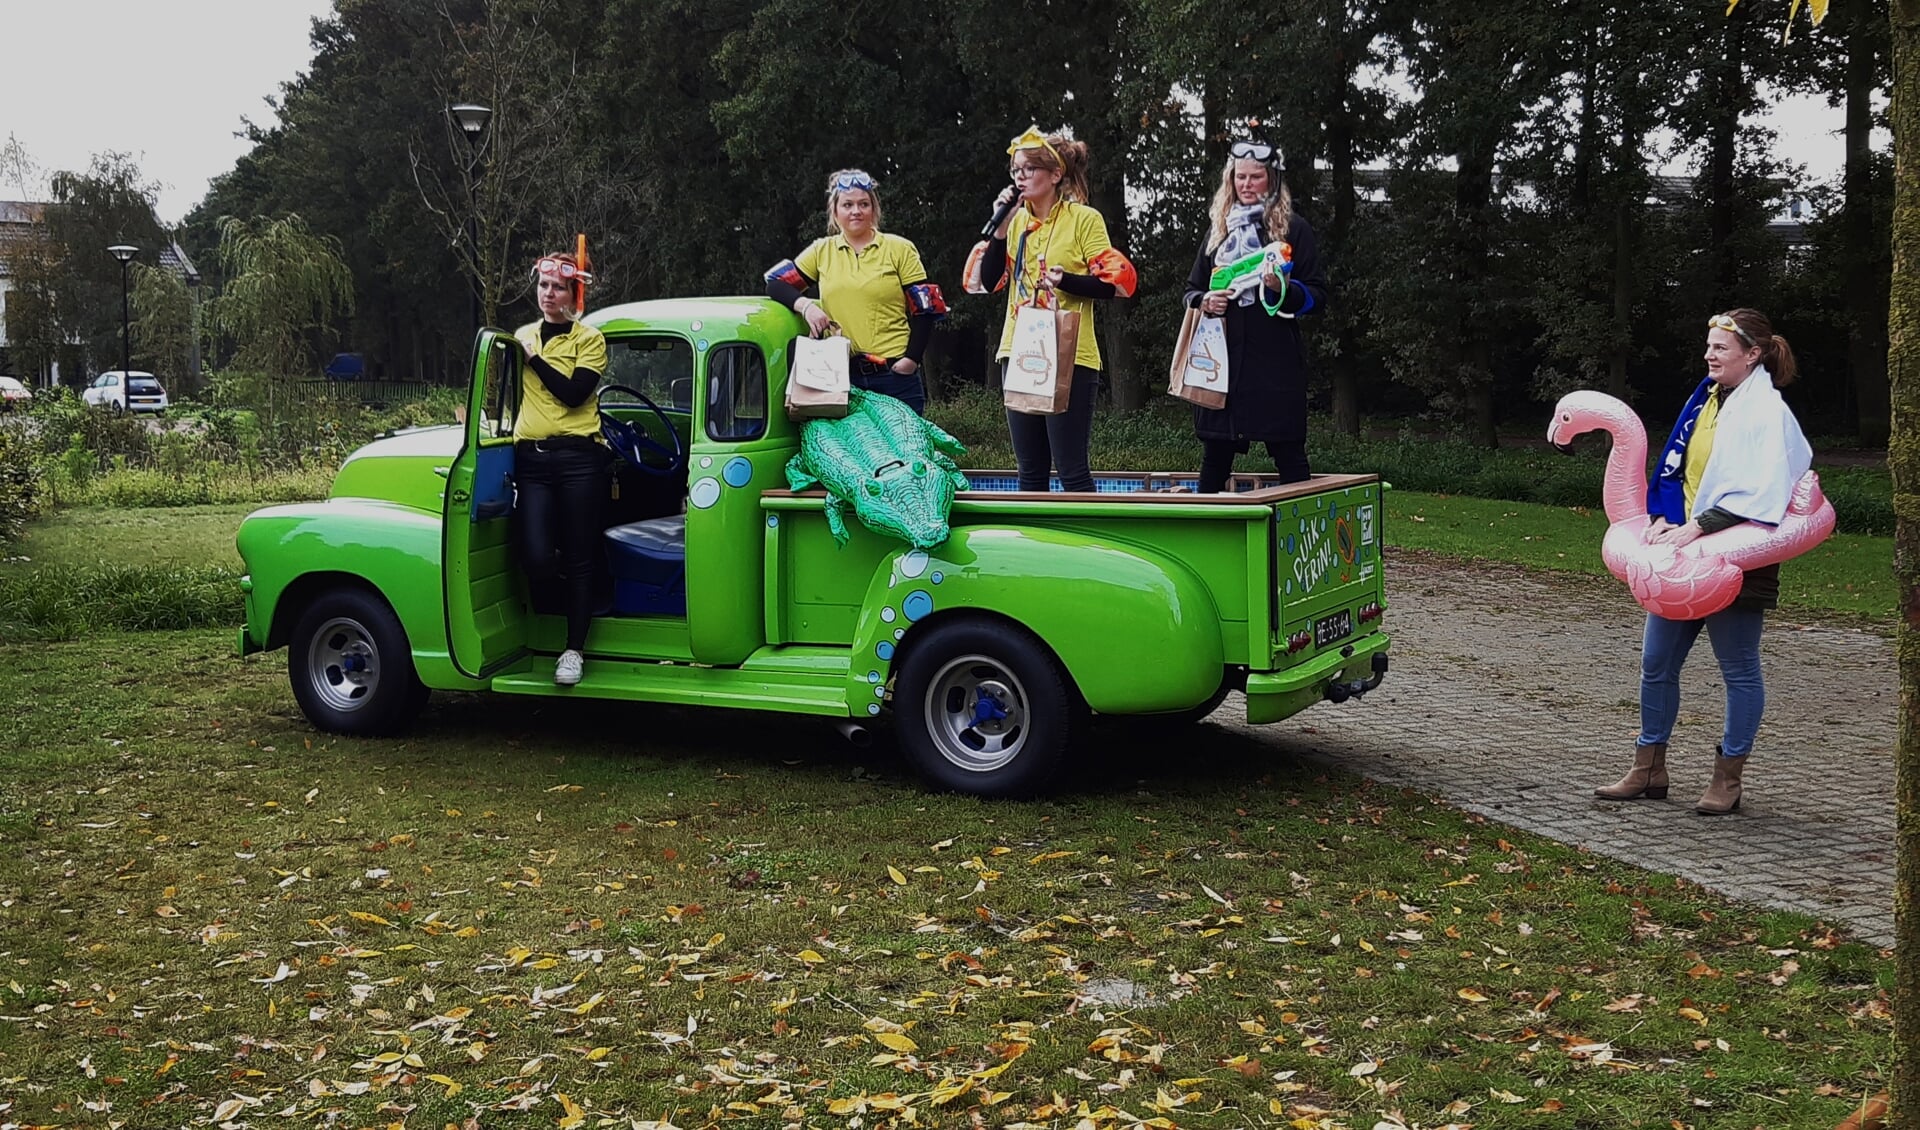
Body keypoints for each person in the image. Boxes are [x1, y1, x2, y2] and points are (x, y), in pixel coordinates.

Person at [1595, 308, 1812, 815]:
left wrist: (1702, 526)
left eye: (1721, 347)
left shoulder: (1767, 412)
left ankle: (1728, 778)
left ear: (1752, 355)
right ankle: (1648, 768)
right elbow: (1680, 470)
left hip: (1736, 557)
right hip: (1680, 556)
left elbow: (1767, 488)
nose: (1709, 354)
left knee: (1737, 669)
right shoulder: (1707, 400)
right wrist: (1665, 519)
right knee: (1656, 663)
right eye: (1709, 345)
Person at [965, 126, 1137, 492]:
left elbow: (1113, 286)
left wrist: (1067, 281)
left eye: (1029, 169)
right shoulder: (1015, 223)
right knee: (1029, 471)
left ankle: (1090, 547)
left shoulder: (1083, 219)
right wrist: (1000, 227)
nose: (1020, 177)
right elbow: (993, 279)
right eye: (1015, 171)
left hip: (1069, 353)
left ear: (1056, 174)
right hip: (1019, 348)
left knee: (1071, 469)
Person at [1182, 141, 1327, 492]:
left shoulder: (1294, 230)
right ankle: (1205, 538)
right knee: (1215, 455)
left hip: (1274, 361)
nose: (1245, 184)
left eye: (1255, 177)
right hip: (1223, 362)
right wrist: (1205, 300)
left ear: (1272, 180)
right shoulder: (1218, 231)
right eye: (1239, 177)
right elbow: (1190, 290)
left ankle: (1300, 537)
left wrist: (1281, 289)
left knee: (1289, 451)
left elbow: (1318, 297)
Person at [766, 169, 946, 415]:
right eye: (847, 205)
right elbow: (775, 283)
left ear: (874, 209)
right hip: (839, 378)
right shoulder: (822, 251)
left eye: (864, 204)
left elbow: (926, 309)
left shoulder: (900, 249)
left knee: (901, 453)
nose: (856, 211)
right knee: (846, 453)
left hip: (894, 377)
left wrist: (911, 360)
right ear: (835, 211)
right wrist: (807, 307)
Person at [513, 251, 610, 687]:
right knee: (535, 554)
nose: (549, 295)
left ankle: (574, 648)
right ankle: (554, 615)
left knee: (579, 553)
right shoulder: (521, 335)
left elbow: (574, 394)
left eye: (558, 288)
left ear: (574, 294)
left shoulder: (589, 339)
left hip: (578, 458)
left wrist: (534, 359)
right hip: (531, 458)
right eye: (543, 286)